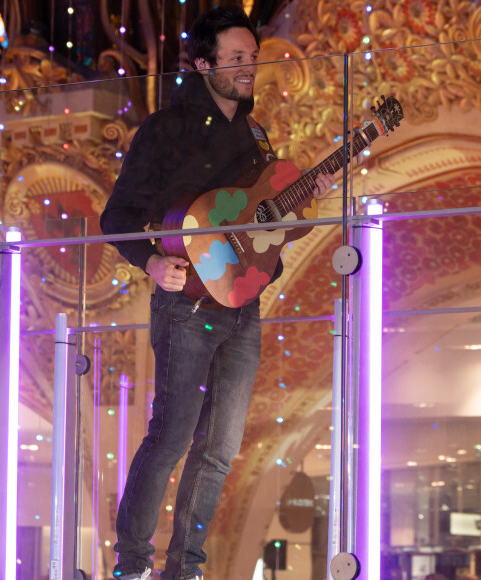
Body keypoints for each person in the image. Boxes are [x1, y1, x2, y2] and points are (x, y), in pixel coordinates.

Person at [100, 6, 333, 579]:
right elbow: (118, 217)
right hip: (183, 302)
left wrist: (306, 201)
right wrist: (152, 263)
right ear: (204, 64)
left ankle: (187, 567)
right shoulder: (166, 129)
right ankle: (132, 563)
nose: (247, 68)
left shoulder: (258, 137)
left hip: (242, 305)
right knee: (173, 434)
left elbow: (267, 227)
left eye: (251, 57)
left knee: (221, 449)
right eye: (235, 59)